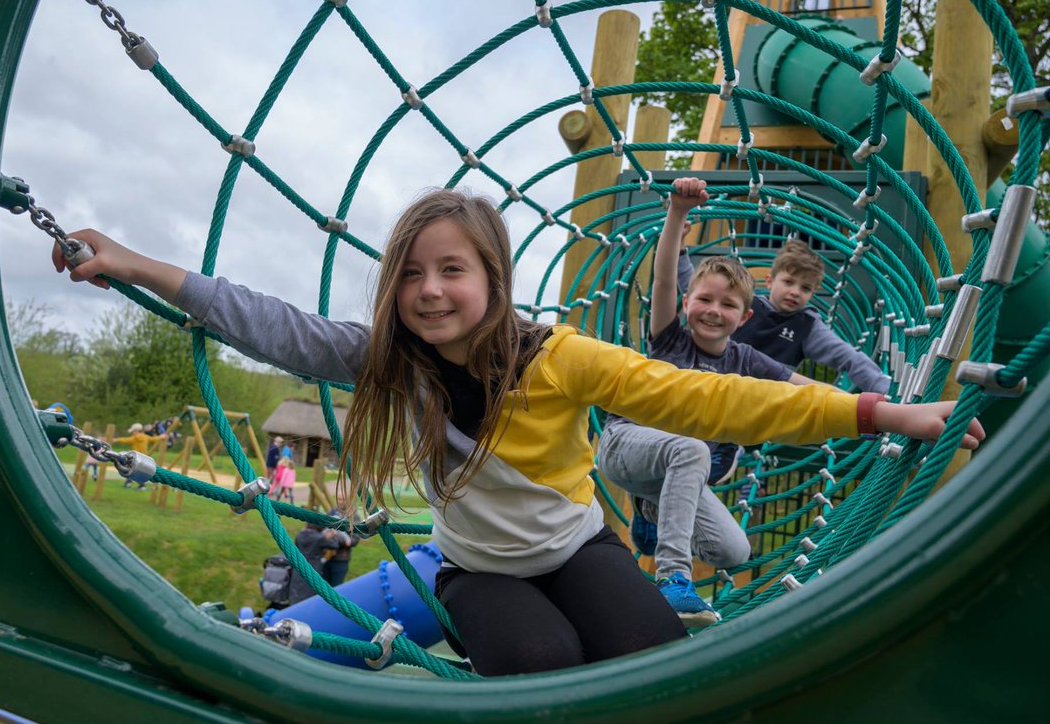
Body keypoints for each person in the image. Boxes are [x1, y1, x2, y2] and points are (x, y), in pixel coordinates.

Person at [53, 188, 983, 676]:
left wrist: (881, 411)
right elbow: (273, 324)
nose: (429, 290)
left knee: (651, 655)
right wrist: (135, 263)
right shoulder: (394, 360)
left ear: (493, 278)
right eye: (410, 273)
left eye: (451, 269)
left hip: (577, 544)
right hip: (476, 569)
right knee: (541, 665)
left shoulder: (560, 357)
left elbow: (713, 401)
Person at [598, 178, 821, 625]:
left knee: (733, 551)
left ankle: (651, 510)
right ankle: (674, 580)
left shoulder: (744, 359)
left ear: (745, 316)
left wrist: (877, 411)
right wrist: (678, 212)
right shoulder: (670, 339)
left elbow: (806, 389)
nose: (714, 310)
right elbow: (663, 276)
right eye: (704, 299)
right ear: (687, 302)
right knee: (693, 448)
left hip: (674, 470)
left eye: (728, 304)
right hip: (626, 445)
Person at [679, 239, 892, 395]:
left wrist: (884, 390)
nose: (795, 292)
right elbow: (695, 287)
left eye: (805, 288)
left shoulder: (807, 326)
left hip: (767, 400)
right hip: (720, 383)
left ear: (812, 293)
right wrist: (679, 251)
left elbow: (847, 356)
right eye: (788, 282)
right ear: (770, 281)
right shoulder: (746, 305)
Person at [112, 422, 166, 490]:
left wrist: (116, 440)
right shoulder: (146, 437)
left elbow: (125, 440)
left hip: (135, 458)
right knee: (135, 471)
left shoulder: (134, 438)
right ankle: (129, 483)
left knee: (133, 471)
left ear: (136, 431)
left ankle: (140, 485)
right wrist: (161, 437)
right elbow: (153, 439)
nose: (132, 433)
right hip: (144, 458)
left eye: (133, 431)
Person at [321, 510, 361, 587]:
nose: (340, 503)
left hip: (340, 559)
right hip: (325, 557)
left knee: (337, 587)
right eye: (339, 501)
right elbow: (322, 530)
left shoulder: (353, 517)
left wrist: (334, 539)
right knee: (323, 586)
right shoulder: (332, 512)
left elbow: (354, 540)